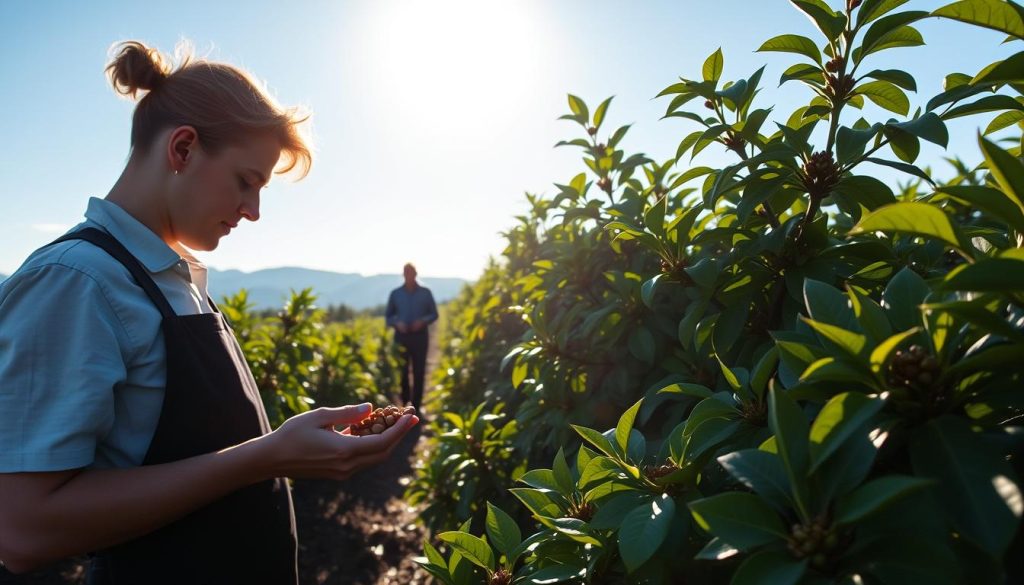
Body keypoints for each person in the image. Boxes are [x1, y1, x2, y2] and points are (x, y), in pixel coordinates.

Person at [0, 41, 418, 584]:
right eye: (247, 181)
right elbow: (23, 529)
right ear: (182, 150)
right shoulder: (77, 282)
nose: (254, 210)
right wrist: (267, 457)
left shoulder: (170, 276)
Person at [385, 263, 438, 413]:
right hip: (401, 337)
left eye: (411, 273)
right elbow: (388, 316)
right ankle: (405, 402)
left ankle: (416, 406)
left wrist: (422, 321)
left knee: (419, 371)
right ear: (403, 274)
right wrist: (397, 323)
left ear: (415, 274)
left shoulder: (426, 293)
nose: (409, 276)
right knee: (402, 371)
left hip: (420, 337)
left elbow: (434, 314)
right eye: (406, 273)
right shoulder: (395, 294)